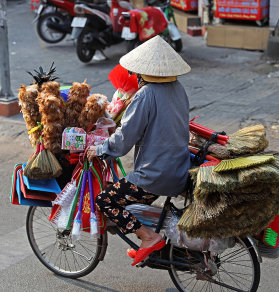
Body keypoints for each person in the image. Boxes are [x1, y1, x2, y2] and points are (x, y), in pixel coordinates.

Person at [87, 35, 191, 266]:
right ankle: (156, 246)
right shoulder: (178, 88)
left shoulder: (146, 94)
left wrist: (101, 149)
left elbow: (124, 140)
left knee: (105, 200)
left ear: (141, 73)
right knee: (125, 193)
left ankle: (149, 238)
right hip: (178, 168)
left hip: (154, 175)